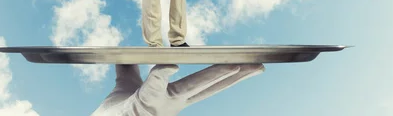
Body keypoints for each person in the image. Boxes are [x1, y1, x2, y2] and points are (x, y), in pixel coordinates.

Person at [91, 63, 265, 115]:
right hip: (115, 105)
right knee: (126, 75)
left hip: (118, 108)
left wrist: (138, 109)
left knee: (126, 75)